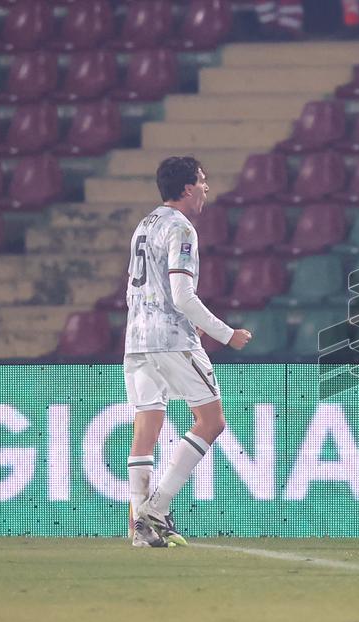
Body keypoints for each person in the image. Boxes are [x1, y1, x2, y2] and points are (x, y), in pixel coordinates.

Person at [126, 156, 252, 548]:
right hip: (171, 340)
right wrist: (226, 333)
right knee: (211, 421)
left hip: (136, 339)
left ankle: (139, 529)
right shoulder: (181, 228)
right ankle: (157, 508)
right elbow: (182, 294)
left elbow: (146, 290)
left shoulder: (145, 225)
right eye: (202, 181)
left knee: (147, 426)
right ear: (185, 189)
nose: (206, 189)